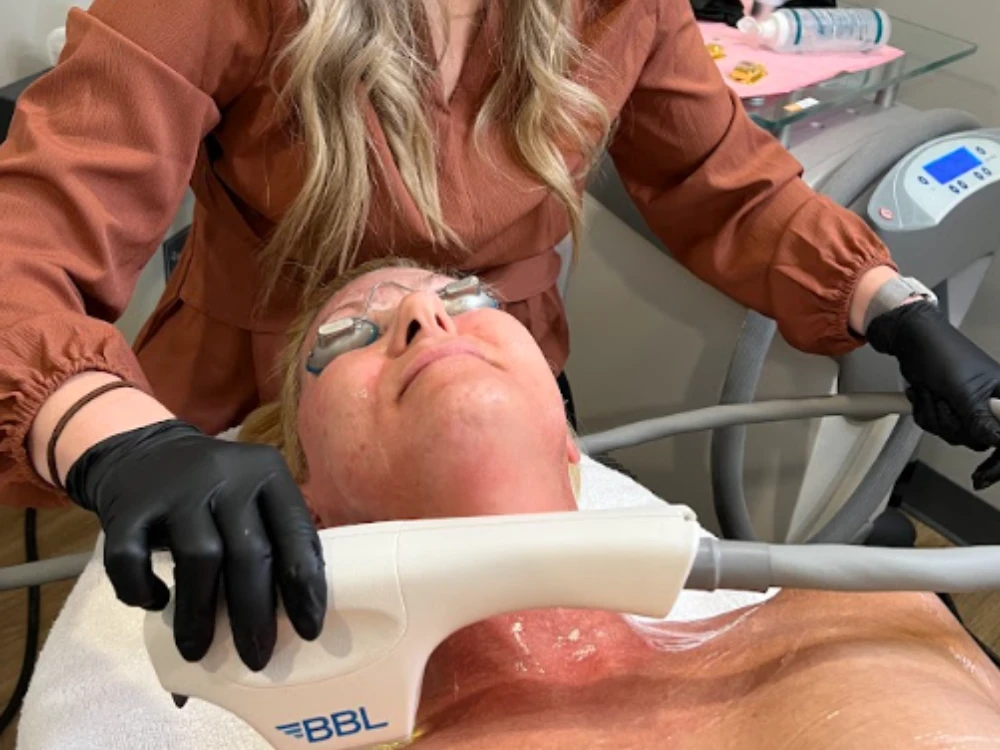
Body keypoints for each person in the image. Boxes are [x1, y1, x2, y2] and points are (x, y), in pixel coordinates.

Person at [1, 0, 999, 673]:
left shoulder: (617, 12)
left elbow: (717, 181)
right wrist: (117, 436)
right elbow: (30, 239)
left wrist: (888, 302)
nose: (421, 312)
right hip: (250, 395)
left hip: (508, 350)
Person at [229, 257, 1000, 749]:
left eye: (465, 297)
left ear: (568, 435)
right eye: (344, 338)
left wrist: (889, 299)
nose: (424, 319)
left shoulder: (869, 611)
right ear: (308, 505)